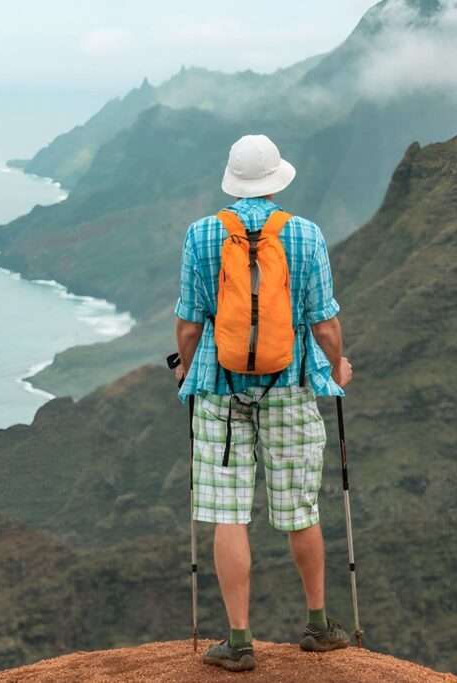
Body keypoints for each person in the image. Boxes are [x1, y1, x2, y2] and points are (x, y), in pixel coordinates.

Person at [173, 133, 353, 672]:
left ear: (233, 181)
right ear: (277, 180)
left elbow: (189, 323)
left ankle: (238, 639)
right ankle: (318, 625)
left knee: (228, 515)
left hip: (221, 391)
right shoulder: (304, 235)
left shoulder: (203, 234)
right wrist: (337, 367)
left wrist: (186, 368)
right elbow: (324, 322)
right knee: (300, 508)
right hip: (291, 385)